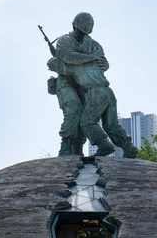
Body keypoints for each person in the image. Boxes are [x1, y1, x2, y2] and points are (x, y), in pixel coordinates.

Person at [54, 12, 137, 158]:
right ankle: (68, 146)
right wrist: (91, 58)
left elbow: (101, 62)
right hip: (69, 83)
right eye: (80, 30)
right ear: (74, 26)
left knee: (87, 121)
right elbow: (67, 57)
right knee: (74, 110)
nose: (83, 33)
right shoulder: (64, 40)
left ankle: (105, 145)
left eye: (86, 30)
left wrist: (104, 63)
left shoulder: (93, 44)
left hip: (91, 88)